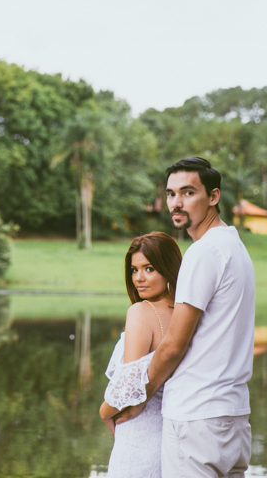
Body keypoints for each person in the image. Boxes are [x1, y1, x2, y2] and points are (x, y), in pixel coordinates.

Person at [115, 156, 255, 478]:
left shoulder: (203, 252)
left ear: (214, 197)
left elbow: (174, 345)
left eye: (188, 193)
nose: (176, 203)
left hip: (197, 419)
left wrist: (139, 397)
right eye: (170, 194)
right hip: (232, 417)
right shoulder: (235, 248)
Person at [99, 231, 182, 478]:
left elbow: (129, 386)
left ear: (168, 268)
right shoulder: (186, 315)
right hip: (172, 438)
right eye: (134, 270)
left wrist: (103, 413)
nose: (139, 279)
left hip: (138, 433)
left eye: (149, 268)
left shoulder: (140, 312)